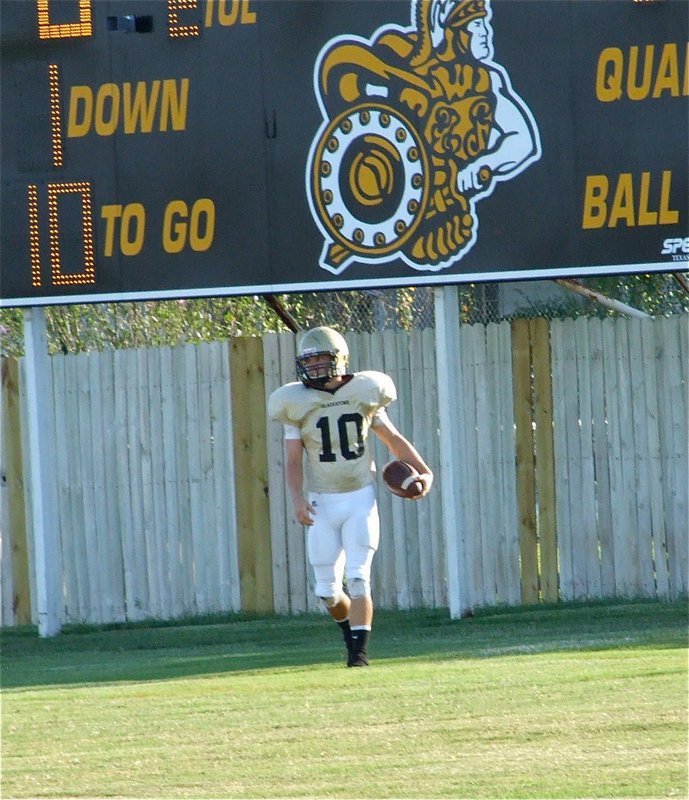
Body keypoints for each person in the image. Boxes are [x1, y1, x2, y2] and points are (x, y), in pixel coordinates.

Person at [268, 326, 433, 667]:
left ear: (339, 359)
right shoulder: (294, 402)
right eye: (308, 361)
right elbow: (293, 460)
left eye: (320, 359)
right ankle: (349, 632)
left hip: (359, 497)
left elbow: (393, 439)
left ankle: (359, 653)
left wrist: (423, 470)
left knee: (358, 578)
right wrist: (297, 499)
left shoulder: (364, 391)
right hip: (321, 501)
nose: (314, 366)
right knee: (327, 592)